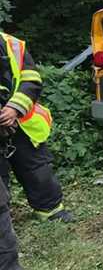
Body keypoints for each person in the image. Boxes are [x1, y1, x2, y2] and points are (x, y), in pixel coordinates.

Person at [0, 32, 72, 223]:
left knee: (38, 169)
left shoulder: (12, 45)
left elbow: (31, 79)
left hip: (21, 123)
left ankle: (51, 211)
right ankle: (4, 223)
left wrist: (14, 108)